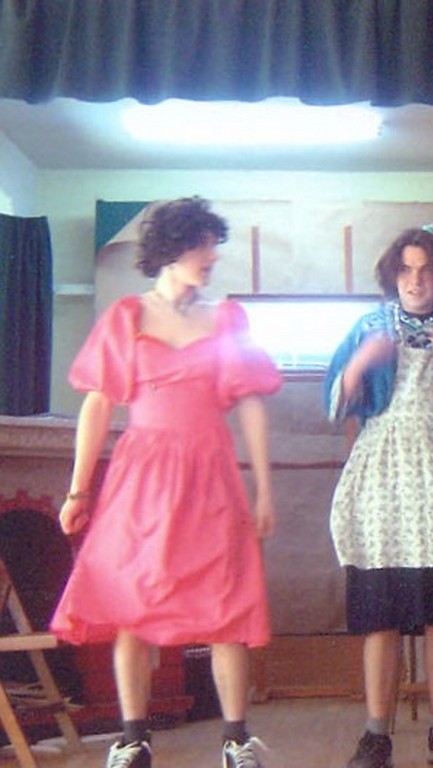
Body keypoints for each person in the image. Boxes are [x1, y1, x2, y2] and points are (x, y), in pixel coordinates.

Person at [51, 197, 282, 768]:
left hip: (211, 475)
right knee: (132, 601)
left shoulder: (226, 319)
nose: (213, 256)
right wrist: (78, 490)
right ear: (173, 248)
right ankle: (133, 740)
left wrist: (264, 488)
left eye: (214, 245)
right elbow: (98, 404)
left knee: (227, 603)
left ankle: (236, 741)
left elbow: (251, 403)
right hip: (142, 478)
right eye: (204, 245)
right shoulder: (126, 317)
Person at [325, 221, 433, 768]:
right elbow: (336, 401)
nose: (415, 279)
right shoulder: (368, 327)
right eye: (405, 269)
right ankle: (375, 735)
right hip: (385, 473)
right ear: (392, 274)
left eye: (426, 269)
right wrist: (361, 362)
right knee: (381, 609)